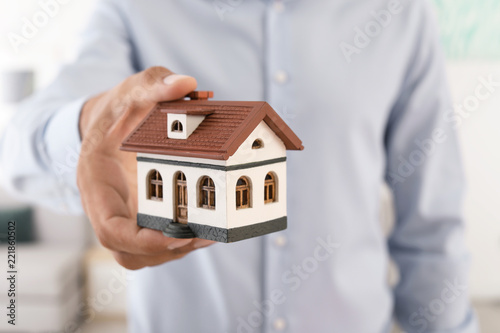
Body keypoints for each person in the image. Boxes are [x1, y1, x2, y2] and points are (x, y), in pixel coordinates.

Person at [0, 0, 478, 332]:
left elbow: (431, 224)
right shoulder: (137, 7)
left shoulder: (399, 13)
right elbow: (21, 141)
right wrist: (92, 125)